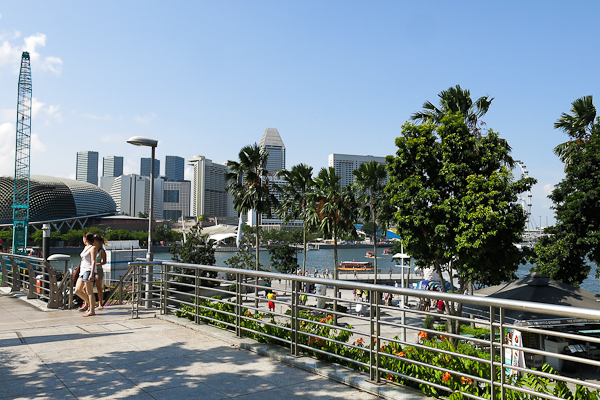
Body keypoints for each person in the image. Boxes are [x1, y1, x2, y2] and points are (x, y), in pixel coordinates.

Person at [74, 232, 98, 317]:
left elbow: (93, 261)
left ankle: (92, 310)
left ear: (85, 239)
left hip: (88, 271)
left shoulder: (93, 248)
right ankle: (90, 304)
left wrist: (92, 273)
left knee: (89, 291)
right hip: (82, 271)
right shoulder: (85, 248)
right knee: (77, 290)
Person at [94, 234, 108, 310]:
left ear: (98, 241)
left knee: (99, 288)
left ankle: (100, 303)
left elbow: (104, 261)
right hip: (91, 269)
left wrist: (97, 264)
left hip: (98, 269)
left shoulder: (101, 251)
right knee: (85, 287)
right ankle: (87, 303)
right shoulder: (91, 249)